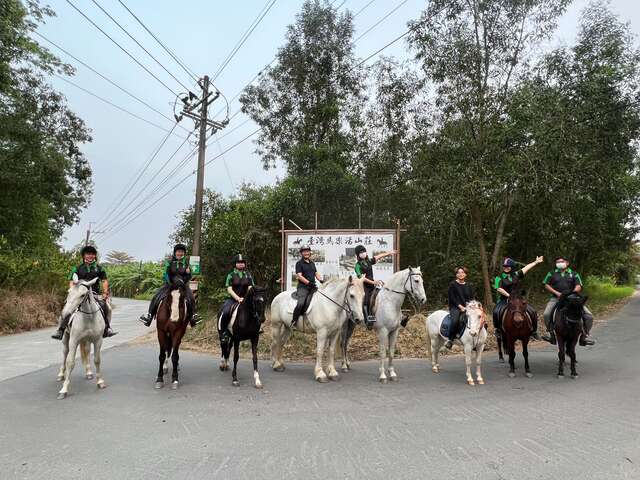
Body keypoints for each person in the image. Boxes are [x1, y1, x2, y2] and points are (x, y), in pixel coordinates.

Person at [52, 245, 117, 340]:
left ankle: (107, 328)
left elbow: (104, 281)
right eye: (88, 254)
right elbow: (71, 281)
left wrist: (105, 293)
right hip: (79, 294)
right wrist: (73, 292)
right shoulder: (77, 268)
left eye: (92, 254)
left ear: (95, 256)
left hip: (94, 294)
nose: (90, 256)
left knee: (108, 307)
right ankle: (60, 329)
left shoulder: (99, 269)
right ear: (84, 256)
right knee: (67, 308)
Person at [139, 244, 199, 327]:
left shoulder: (186, 264)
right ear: (175, 253)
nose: (180, 253)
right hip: (169, 285)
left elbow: (188, 277)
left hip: (182, 286)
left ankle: (193, 317)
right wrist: (171, 283)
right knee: (156, 296)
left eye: (182, 252)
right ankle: (149, 316)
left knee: (191, 297)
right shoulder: (169, 263)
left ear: (184, 253)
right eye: (178, 251)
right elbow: (166, 274)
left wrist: (188, 274)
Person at [541, 256, 595, 346]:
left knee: (589, 316)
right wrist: (557, 293)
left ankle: (584, 336)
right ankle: (551, 334)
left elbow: (579, 286)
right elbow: (546, 284)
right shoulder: (551, 273)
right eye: (557, 262)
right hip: (556, 298)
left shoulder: (574, 274)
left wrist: (572, 292)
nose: (559, 263)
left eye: (561, 261)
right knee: (546, 314)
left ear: (567, 263)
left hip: (572, 299)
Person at [492, 256, 544, 341]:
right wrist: (509, 296)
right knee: (496, 311)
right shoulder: (499, 277)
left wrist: (536, 262)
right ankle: (498, 330)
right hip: (505, 299)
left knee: (533, 311)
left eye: (508, 266)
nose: (506, 268)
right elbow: (498, 288)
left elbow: (526, 268)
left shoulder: (516, 274)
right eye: (504, 266)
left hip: (518, 300)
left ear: (512, 267)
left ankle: (534, 331)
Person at [353, 245, 398, 329]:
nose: (363, 253)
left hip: (372, 285)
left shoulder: (368, 261)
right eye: (361, 252)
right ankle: (367, 319)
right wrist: (374, 282)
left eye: (364, 251)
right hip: (364, 286)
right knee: (366, 300)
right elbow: (362, 278)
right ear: (358, 255)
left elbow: (378, 256)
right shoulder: (357, 266)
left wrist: (389, 253)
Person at [218, 254, 255, 345]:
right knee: (226, 312)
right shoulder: (231, 275)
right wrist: (238, 298)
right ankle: (224, 333)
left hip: (246, 300)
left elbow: (250, 287)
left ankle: (257, 329)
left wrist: (246, 298)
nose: (241, 264)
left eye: (242, 263)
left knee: (256, 310)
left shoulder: (248, 275)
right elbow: (229, 289)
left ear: (245, 264)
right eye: (239, 262)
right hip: (233, 299)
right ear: (235, 264)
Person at [291, 245, 323, 327]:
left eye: (307, 251)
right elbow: (299, 276)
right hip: (303, 287)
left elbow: (316, 273)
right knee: (301, 303)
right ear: (301, 253)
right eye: (304, 251)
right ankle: (294, 321)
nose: (306, 253)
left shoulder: (312, 263)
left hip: (312, 287)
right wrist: (308, 283)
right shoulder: (299, 263)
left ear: (309, 252)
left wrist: (321, 280)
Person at [445, 266, 476, 349]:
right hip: (455, 307)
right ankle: (450, 340)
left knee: (477, 319)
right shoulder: (453, 285)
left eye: (462, 272)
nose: (461, 274)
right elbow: (452, 298)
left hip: (468, 307)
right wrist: (460, 307)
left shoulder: (469, 285)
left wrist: (473, 305)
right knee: (455, 321)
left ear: (465, 274)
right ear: (456, 275)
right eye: (459, 273)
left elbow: (472, 298)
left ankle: (476, 341)